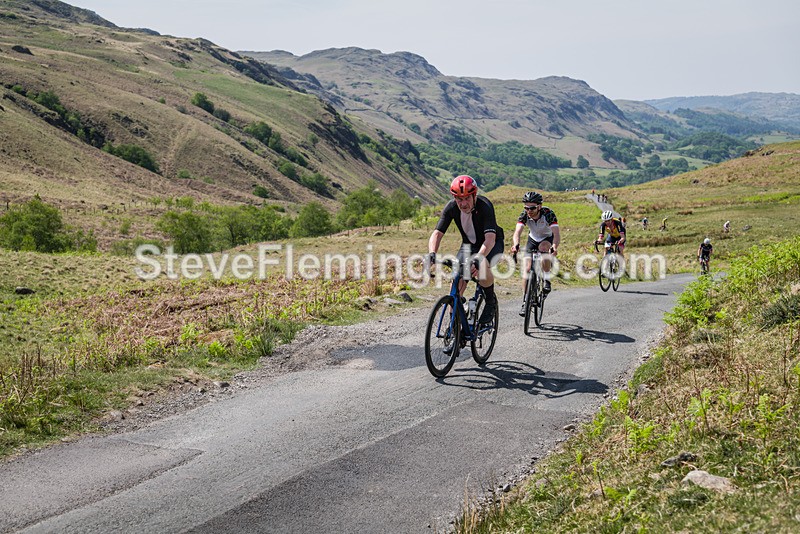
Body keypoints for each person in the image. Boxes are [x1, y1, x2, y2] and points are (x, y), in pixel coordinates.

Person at [428, 175, 504, 326]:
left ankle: (490, 301)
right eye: (459, 199)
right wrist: (432, 253)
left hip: (491, 243)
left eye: (467, 198)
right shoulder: (451, 208)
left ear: (474, 195)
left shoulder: (485, 206)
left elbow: (489, 239)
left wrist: (478, 258)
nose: (463, 203)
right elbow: (437, 233)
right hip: (468, 245)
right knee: (457, 281)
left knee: (481, 265)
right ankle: (454, 326)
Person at [510, 191, 560, 316]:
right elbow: (517, 232)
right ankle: (526, 300)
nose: (529, 210)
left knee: (544, 250)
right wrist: (516, 244)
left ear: (539, 206)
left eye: (532, 208)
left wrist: (554, 246)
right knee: (527, 269)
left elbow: (557, 234)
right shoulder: (524, 215)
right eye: (526, 208)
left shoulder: (548, 214)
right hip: (532, 239)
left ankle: (546, 279)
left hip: (547, 238)